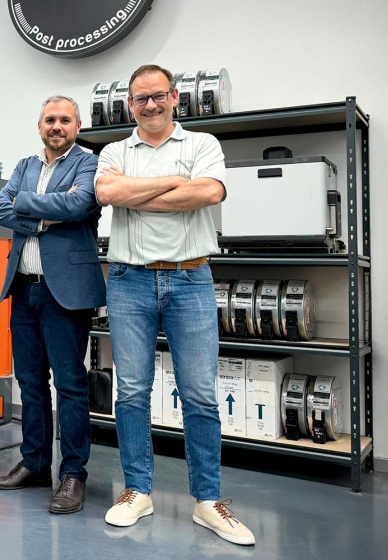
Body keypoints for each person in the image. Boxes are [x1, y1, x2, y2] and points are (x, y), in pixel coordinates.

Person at [94, 64, 254, 546]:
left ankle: (208, 501)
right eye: (140, 99)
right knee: (132, 392)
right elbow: (107, 192)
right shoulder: (113, 150)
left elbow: (209, 192)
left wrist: (138, 192)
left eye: (157, 96)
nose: (150, 105)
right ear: (130, 105)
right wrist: (174, 186)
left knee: (201, 395)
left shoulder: (203, 144)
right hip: (127, 281)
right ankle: (137, 491)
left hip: (191, 278)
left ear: (174, 97)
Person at [0, 95, 105, 515]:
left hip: (67, 292)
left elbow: (79, 204)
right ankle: (36, 463)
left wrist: (25, 204)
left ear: (77, 127)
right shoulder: (24, 166)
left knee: (71, 386)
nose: (57, 126)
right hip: (23, 288)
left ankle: (73, 474)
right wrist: (43, 217)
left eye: (65, 120)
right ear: (40, 126)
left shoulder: (90, 163)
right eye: (50, 120)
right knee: (31, 383)